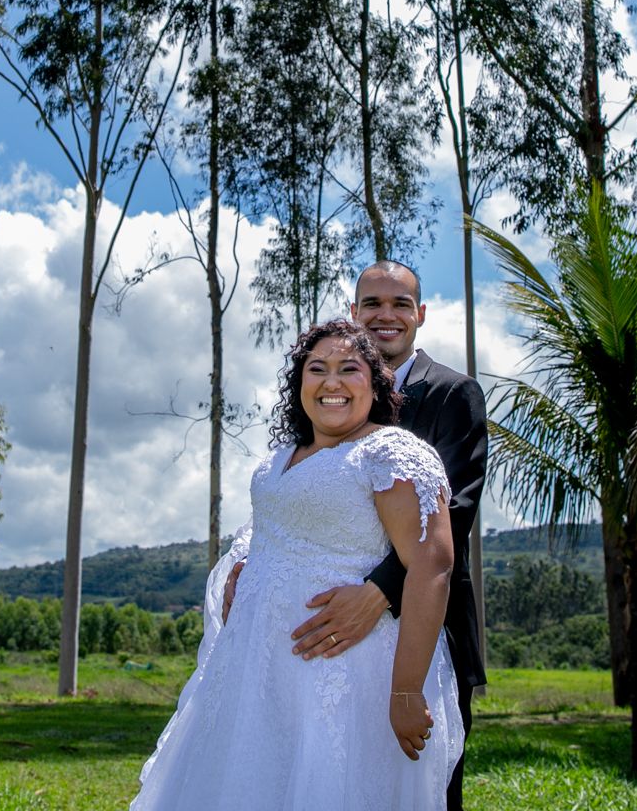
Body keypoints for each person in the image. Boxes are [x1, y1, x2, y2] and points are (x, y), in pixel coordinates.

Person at [131, 319, 462, 810]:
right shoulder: (277, 460)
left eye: (349, 369)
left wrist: (406, 692)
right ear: (299, 383)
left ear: (375, 384)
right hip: (254, 674)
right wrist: (240, 566)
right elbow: (264, 529)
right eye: (317, 368)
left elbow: (432, 564)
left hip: (344, 675)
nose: (332, 382)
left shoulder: (391, 453)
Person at [231, 261, 488, 809]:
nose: (385, 315)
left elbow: (451, 512)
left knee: (418, 786)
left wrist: (376, 593)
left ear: (420, 314)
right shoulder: (323, 403)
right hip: (303, 645)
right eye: (372, 303)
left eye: (400, 304)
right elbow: (300, 504)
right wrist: (249, 560)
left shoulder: (452, 393)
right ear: (354, 312)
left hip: (414, 626)